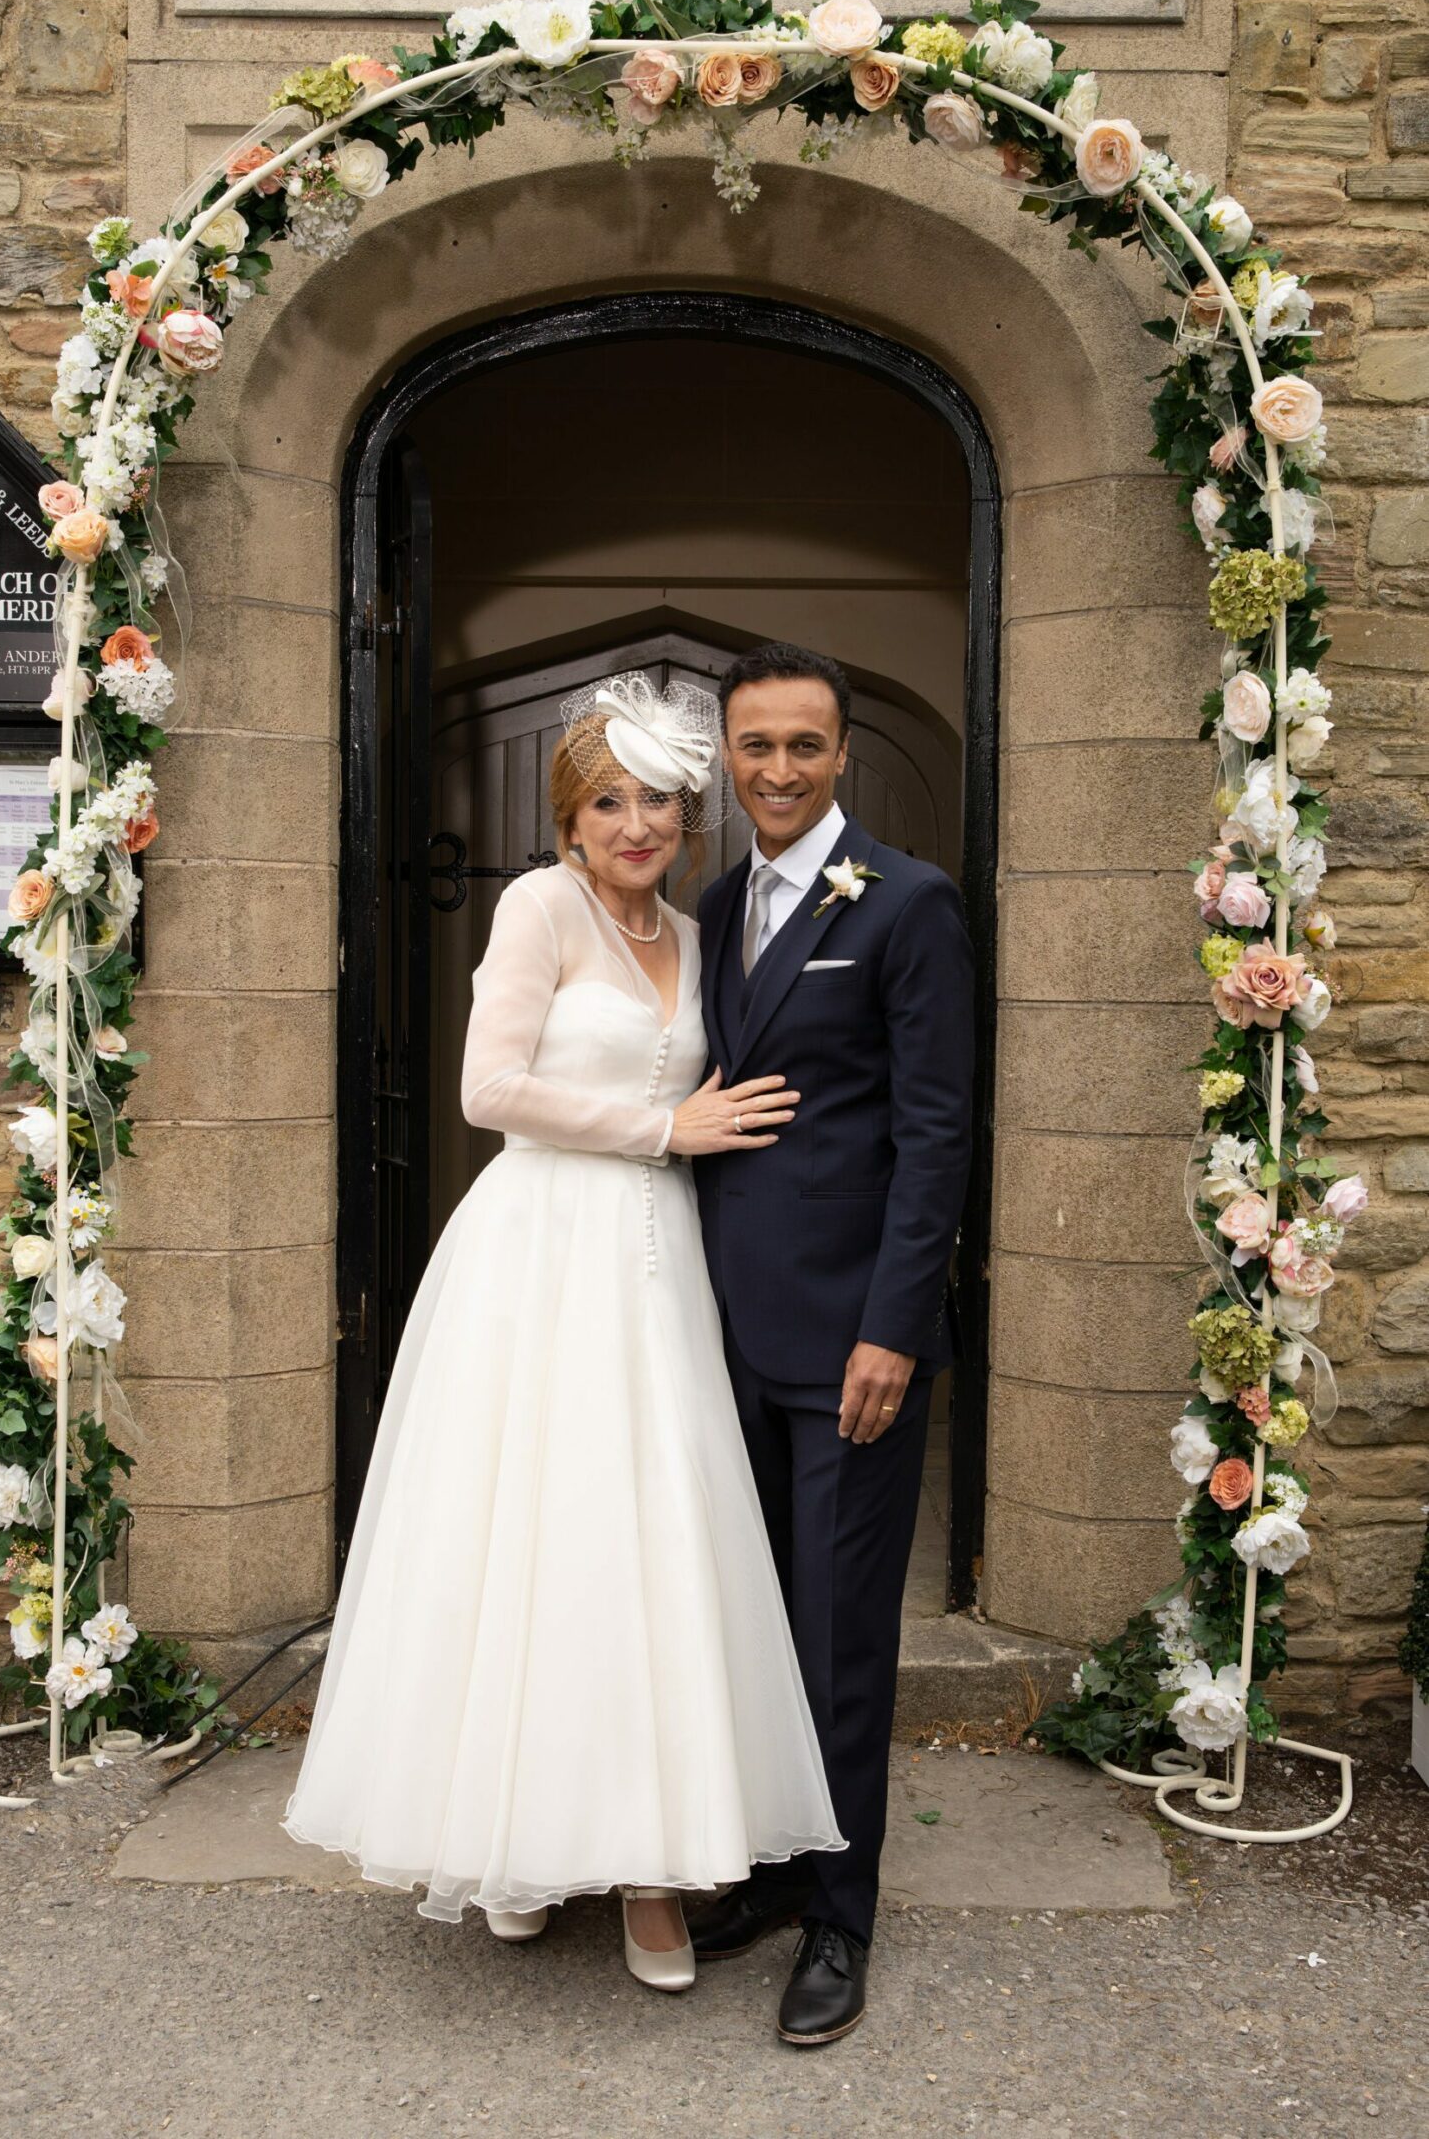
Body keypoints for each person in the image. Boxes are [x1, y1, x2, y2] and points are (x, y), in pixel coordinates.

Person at [283, 673, 842, 1992]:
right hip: (539, 1256)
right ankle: (515, 1844)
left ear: (685, 816)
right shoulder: (537, 908)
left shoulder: (699, 933)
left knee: (648, 1546)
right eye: (608, 803)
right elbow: (488, 1091)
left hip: (657, 1266)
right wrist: (664, 1128)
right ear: (570, 820)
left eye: (656, 801)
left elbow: (717, 1087)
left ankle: (652, 1871)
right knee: (530, 1541)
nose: (635, 824)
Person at [688, 641, 976, 2047]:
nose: (781, 769)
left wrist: (895, 1333)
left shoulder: (909, 902)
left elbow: (936, 1136)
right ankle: (766, 1870)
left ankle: (841, 1918)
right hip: (716, 1329)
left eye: (805, 744)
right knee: (744, 1623)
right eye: (757, 745)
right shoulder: (713, 902)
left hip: (849, 1341)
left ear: (844, 752)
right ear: (727, 756)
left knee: (839, 1634)